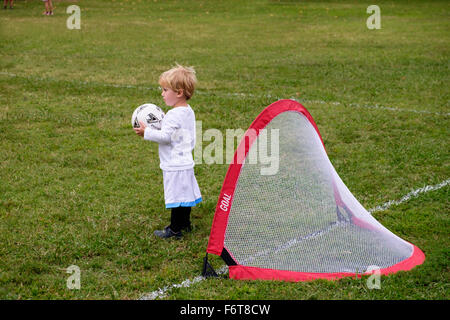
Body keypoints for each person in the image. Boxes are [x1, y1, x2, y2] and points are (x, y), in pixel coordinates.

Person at [134, 64, 202, 239]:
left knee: (176, 198)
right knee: (185, 194)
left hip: (174, 164)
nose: (162, 94)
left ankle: (174, 230)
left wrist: (146, 132)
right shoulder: (188, 111)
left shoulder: (173, 115)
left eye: (165, 90)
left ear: (178, 93)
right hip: (185, 161)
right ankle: (185, 224)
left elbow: (165, 136)